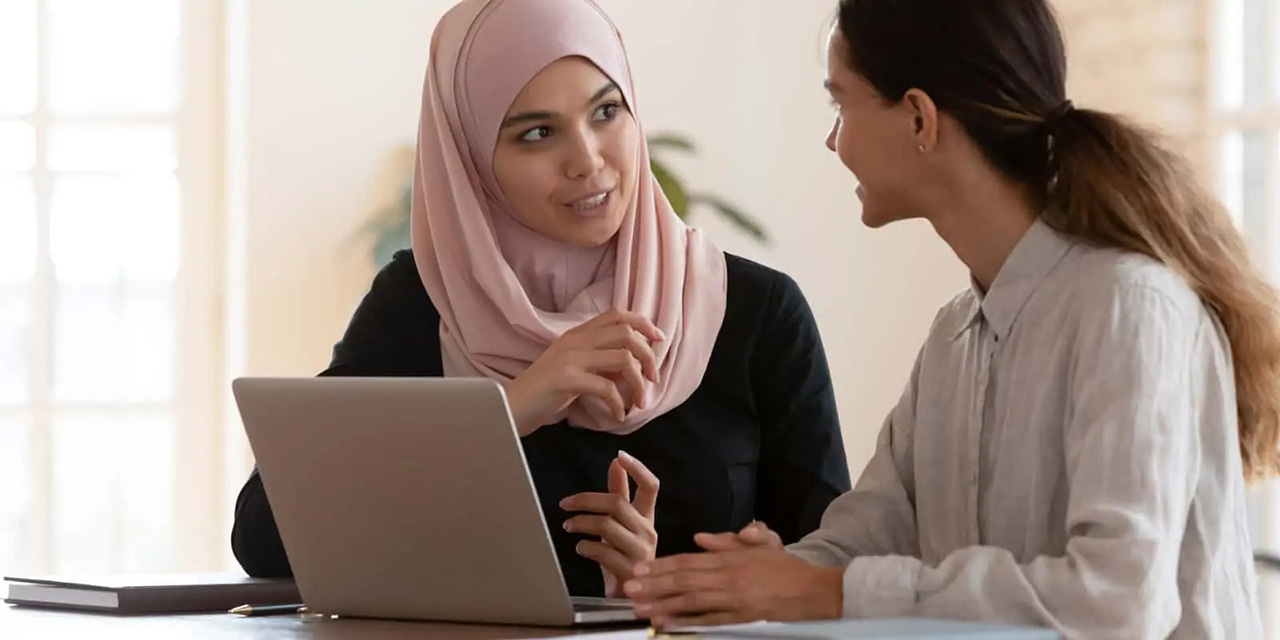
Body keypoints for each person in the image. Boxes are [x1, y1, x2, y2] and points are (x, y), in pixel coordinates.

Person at [623, 0, 1275, 636]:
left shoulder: (1128, 308)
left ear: (918, 120)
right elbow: (865, 539)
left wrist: (824, 590)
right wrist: (752, 577)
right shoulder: (954, 335)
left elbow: (1119, 601)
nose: (832, 139)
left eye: (840, 103)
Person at [230, 0, 850, 599]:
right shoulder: (423, 301)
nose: (587, 161)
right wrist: (509, 410)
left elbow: (829, 575)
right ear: (471, 159)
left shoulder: (756, 312)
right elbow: (264, 535)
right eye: (536, 133)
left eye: (606, 112)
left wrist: (664, 585)